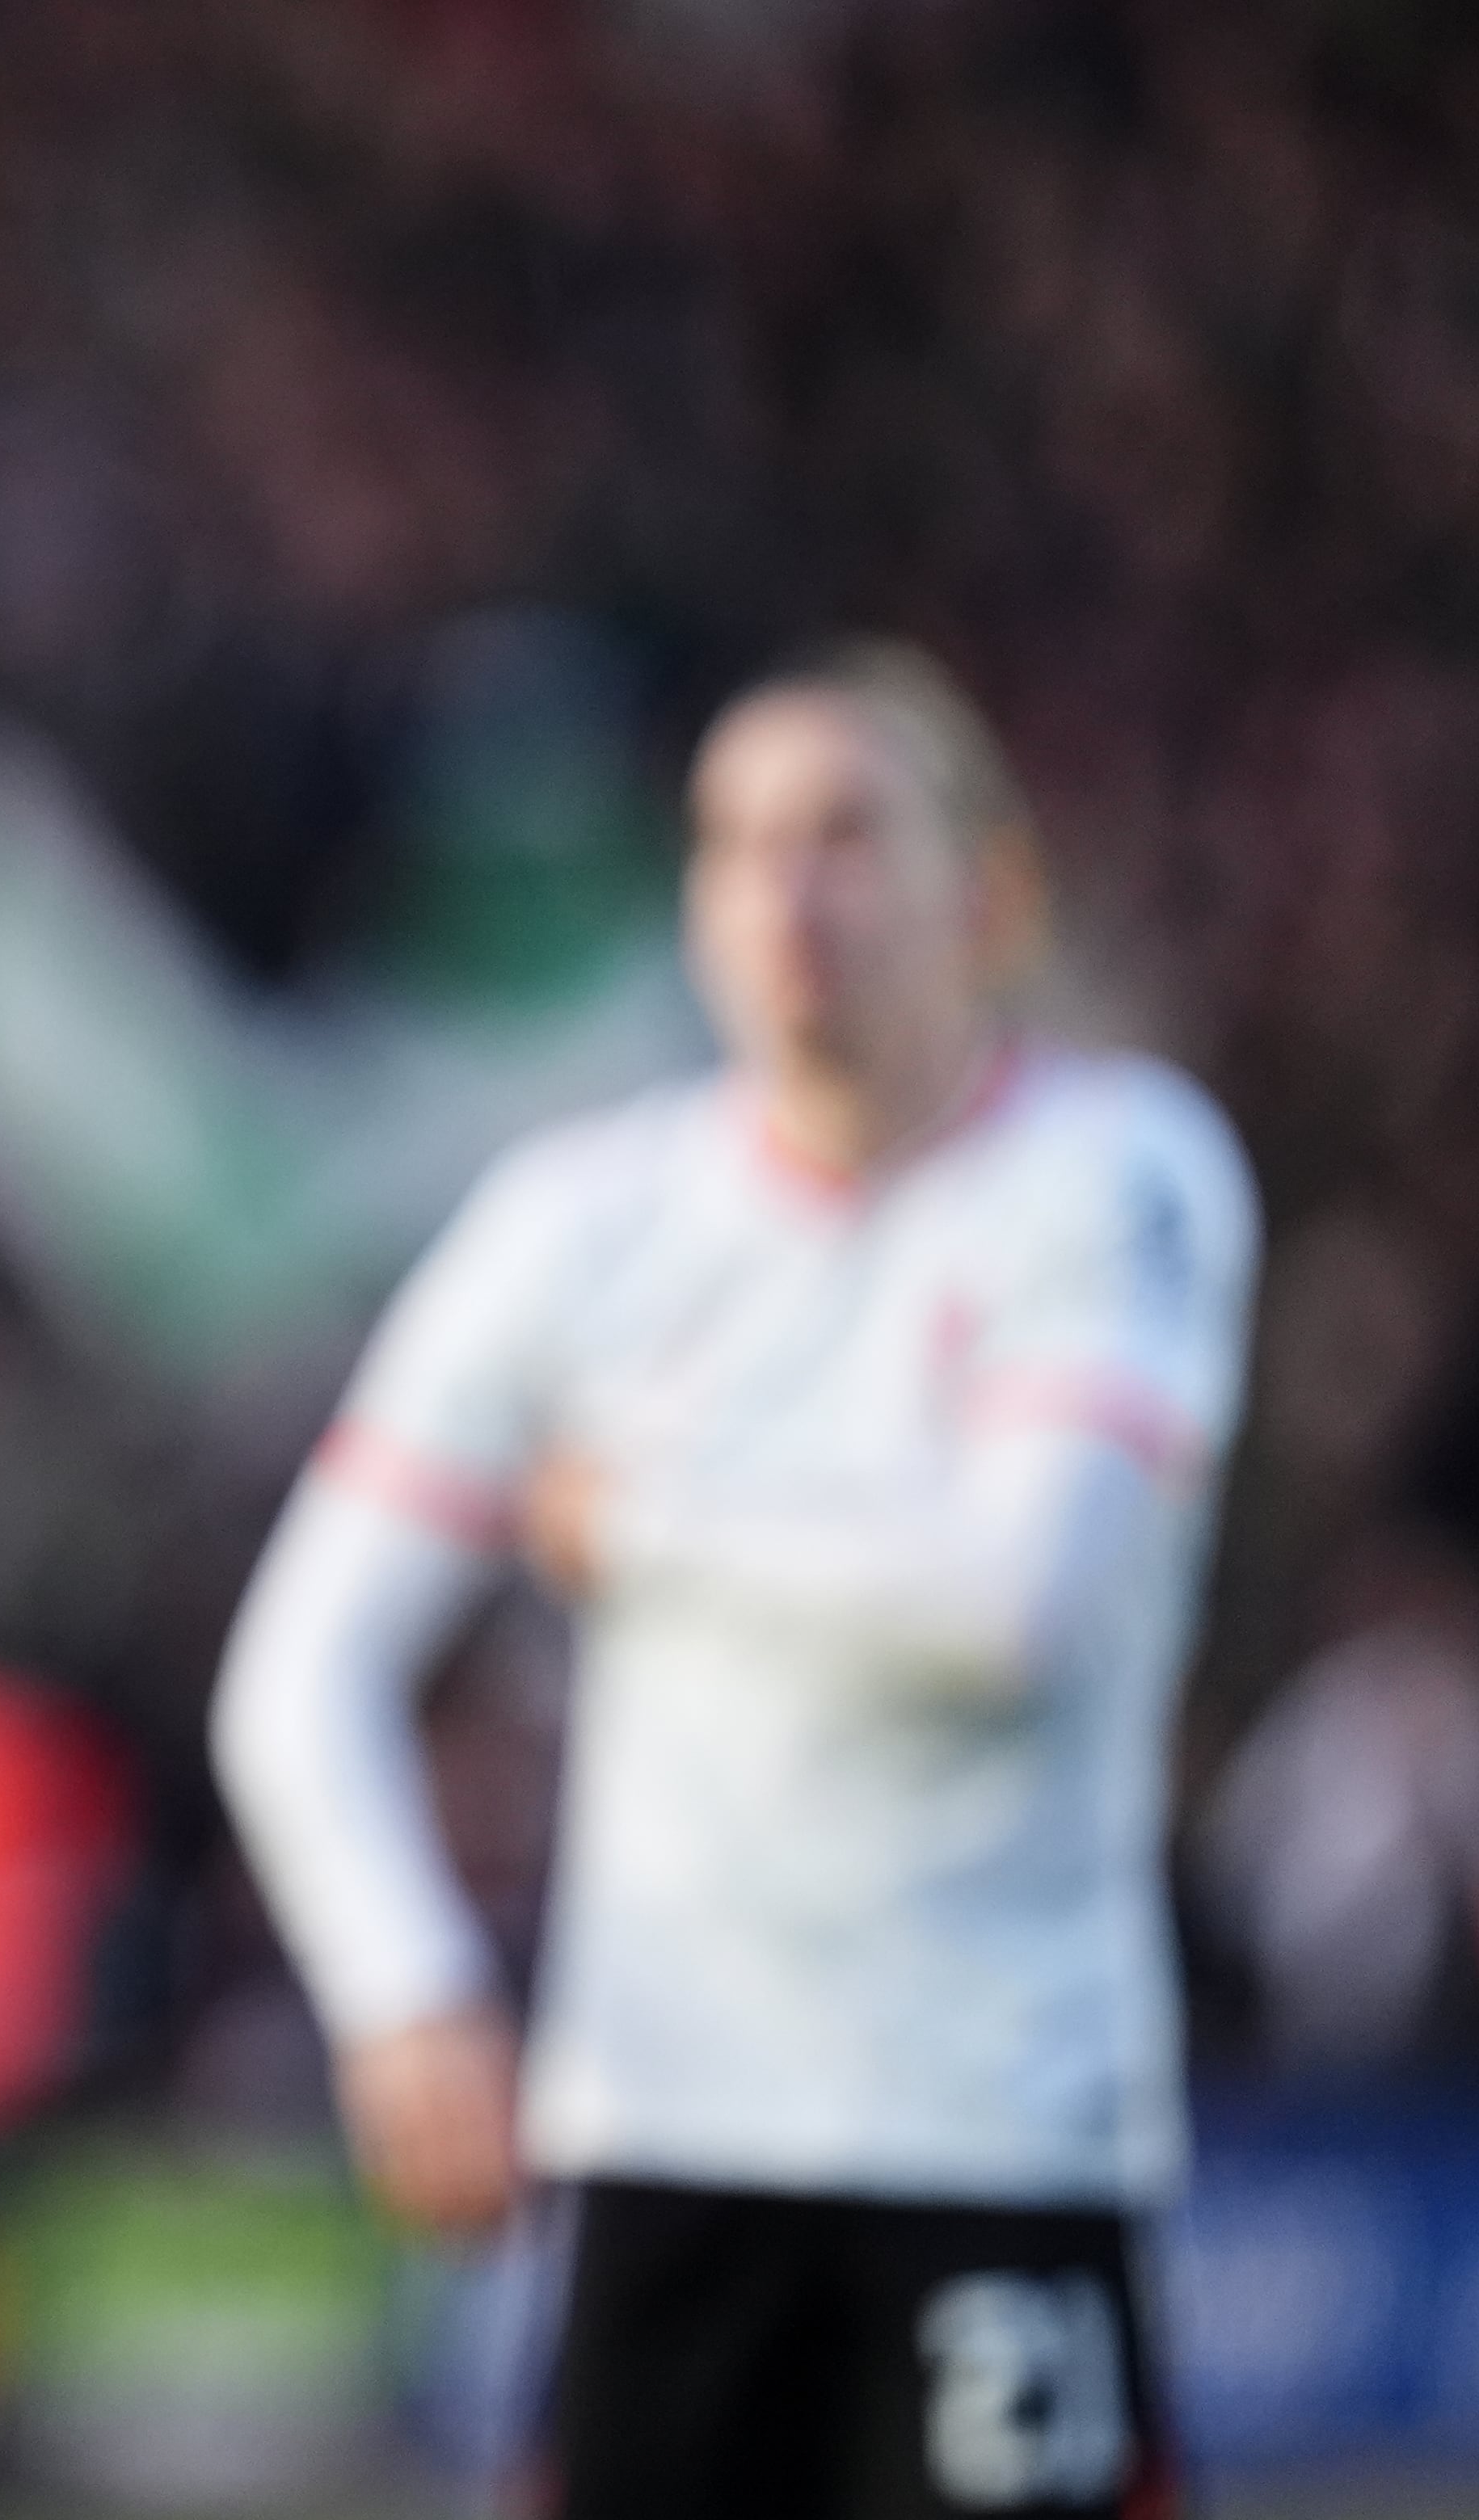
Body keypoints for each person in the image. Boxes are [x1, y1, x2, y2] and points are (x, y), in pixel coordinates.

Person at [211, 646, 1258, 2518]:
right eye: (732, 842)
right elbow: (299, 1670)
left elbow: (1012, 1607)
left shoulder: (1118, 1177)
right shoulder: (575, 1224)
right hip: (664, 2147)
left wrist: (651, 1521)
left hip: (998, 2140)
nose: (787, 895)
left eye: (848, 834)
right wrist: (402, 1988)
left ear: (991, 894)